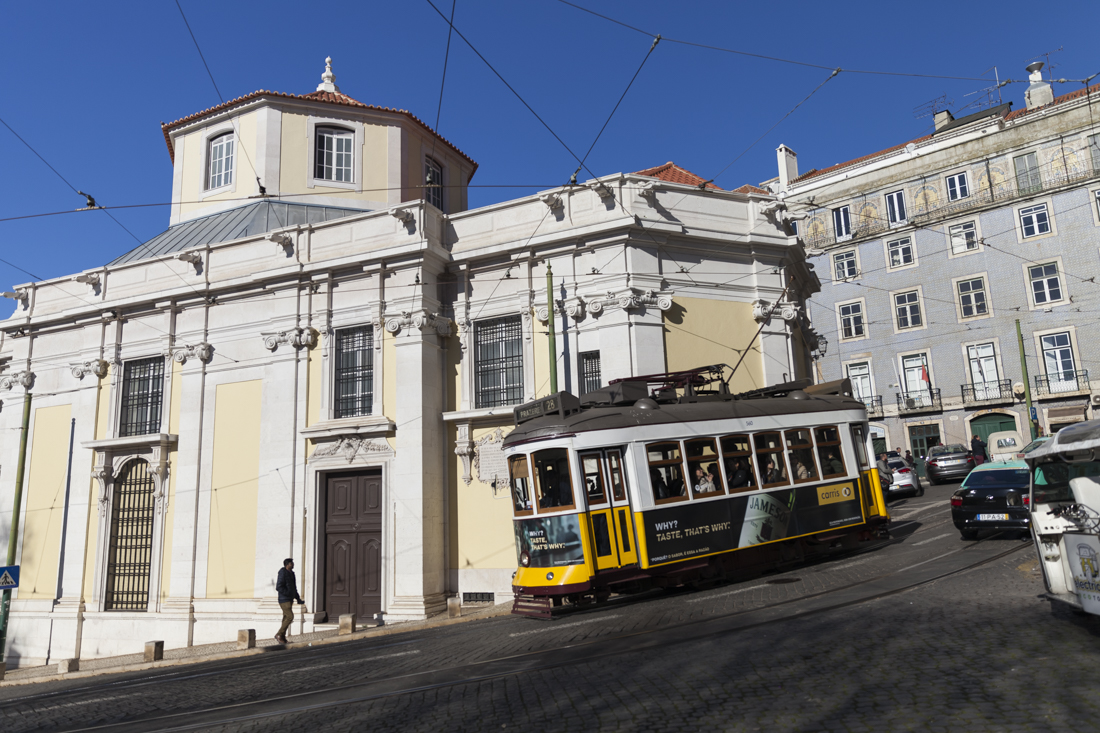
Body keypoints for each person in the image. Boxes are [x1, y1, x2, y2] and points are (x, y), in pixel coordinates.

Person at [275, 558, 305, 644]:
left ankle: (282, 638)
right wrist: (288, 593)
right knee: (289, 616)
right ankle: (279, 634)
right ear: (287, 564)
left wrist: (298, 598)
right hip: (284, 599)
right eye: (292, 563)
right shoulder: (282, 573)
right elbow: (279, 587)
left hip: (289, 599)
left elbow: (293, 587)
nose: (293, 564)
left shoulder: (292, 574)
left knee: (285, 618)